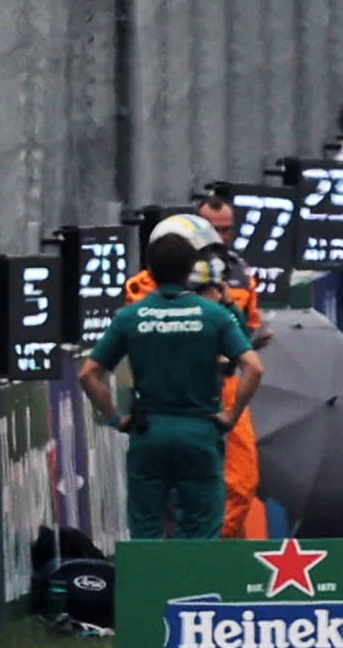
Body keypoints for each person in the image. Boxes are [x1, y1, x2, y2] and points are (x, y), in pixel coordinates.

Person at [88, 220, 262, 542]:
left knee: (145, 531)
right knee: (201, 532)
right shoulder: (215, 314)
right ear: (191, 267)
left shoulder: (131, 314)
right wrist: (231, 416)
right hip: (200, 428)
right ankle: (199, 590)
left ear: (151, 267)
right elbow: (253, 366)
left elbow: (89, 374)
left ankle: (147, 591)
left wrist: (115, 418)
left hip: (149, 430)